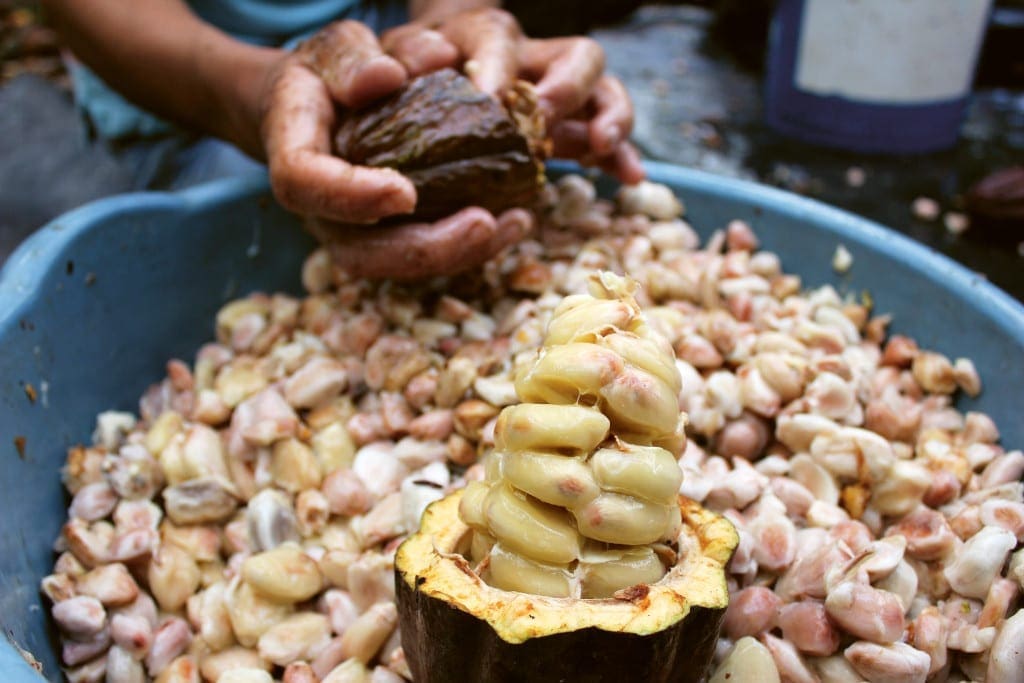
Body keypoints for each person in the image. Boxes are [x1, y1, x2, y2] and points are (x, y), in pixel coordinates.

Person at [42, 0, 644, 279]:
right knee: (241, 233)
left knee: (591, 178)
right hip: (186, 83)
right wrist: (244, 99)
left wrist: (457, 29)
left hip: (386, 44)